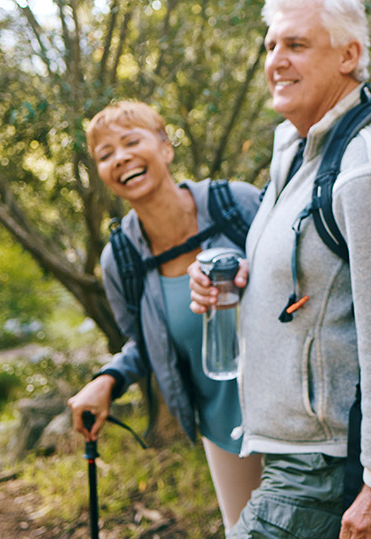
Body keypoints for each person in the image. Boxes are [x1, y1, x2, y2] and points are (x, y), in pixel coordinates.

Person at [188, 0, 371, 539]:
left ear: (349, 55)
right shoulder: (299, 147)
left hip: (325, 466)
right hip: (287, 450)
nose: (276, 61)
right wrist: (240, 275)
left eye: (296, 45)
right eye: (270, 47)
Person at [67, 101, 263, 532]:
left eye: (131, 142)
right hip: (222, 427)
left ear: (166, 148)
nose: (120, 158)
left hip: (293, 409)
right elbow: (145, 342)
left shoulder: (237, 203)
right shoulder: (121, 258)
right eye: (105, 154)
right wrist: (108, 380)